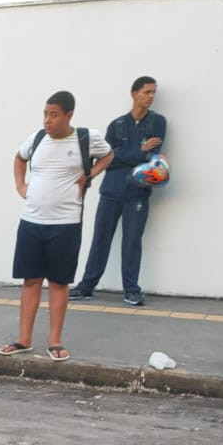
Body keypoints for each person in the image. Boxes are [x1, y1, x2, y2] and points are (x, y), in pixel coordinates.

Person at [0, 91, 112, 362]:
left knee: (59, 283)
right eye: (45, 114)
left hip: (65, 224)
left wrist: (90, 175)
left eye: (54, 115)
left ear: (68, 115)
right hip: (31, 221)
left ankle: (55, 341)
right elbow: (19, 158)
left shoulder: (86, 138)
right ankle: (23, 339)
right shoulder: (37, 139)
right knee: (31, 280)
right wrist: (20, 185)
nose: (47, 120)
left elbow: (108, 156)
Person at [70, 76, 166, 306]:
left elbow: (150, 158)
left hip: (137, 194)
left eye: (154, 92)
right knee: (100, 240)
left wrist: (124, 153)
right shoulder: (117, 125)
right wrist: (135, 150)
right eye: (147, 92)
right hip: (111, 192)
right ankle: (86, 286)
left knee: (132, 241)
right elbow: (106, 157)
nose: (151, 96)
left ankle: (131, 290)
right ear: (134, 94)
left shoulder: (158, 123)